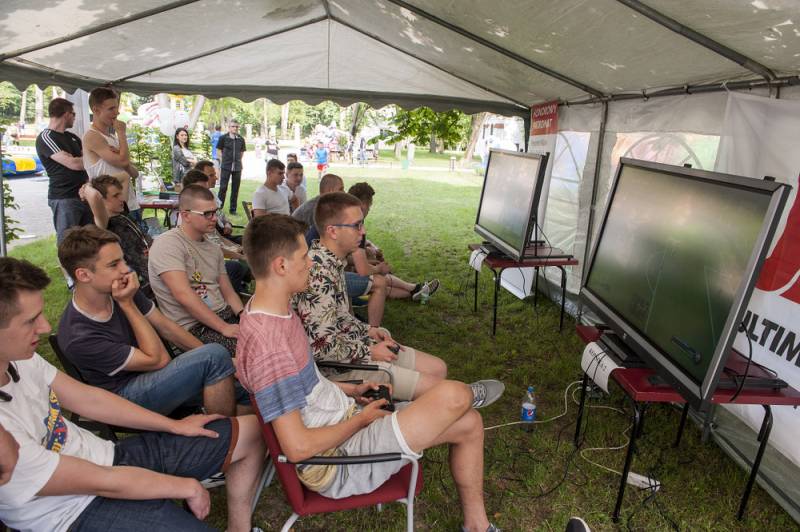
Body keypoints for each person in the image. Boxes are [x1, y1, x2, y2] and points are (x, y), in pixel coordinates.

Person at [236, 215, 499, 532]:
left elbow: (305, 387)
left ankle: (477, 527)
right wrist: (361, 420)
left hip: (346, 419)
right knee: (454, 395)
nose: (311, 263)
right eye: (304, 257)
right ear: (281, 266)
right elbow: (298, 448)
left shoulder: (272, 311)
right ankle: (472, 394)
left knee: (470, 422)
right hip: (336, 462)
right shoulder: (271, 347)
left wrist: (351, 391)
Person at [0, 257, 266, 532]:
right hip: (71, 513)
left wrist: (174, 426)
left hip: (109, 458)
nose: (45, 327)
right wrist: (182, 486)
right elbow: (101, 482)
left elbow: (89, 399)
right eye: (30, 321)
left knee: (253, 431)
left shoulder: (21, 359)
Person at [293, 192, 504, 405]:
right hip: (340, 370)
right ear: (332, 231)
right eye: (357, 225)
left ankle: (425, 406)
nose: (363, 231)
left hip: (352, 348)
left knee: (438, 368)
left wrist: (368, 330)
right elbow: (319, 348)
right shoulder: (318, 273)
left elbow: (337, 317)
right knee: (448, 394)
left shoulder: (331, 262)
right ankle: (461, 398)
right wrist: (370, 351)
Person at [57, 225, 251, 416]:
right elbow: (158, 360)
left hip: (156, 375)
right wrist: (127, 305)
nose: (126, 269)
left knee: (247, 388)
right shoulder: (79, 335)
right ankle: (222, 432)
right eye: (114, 264)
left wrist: (223, 361)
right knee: (214, 356)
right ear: (83, 275)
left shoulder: (117, 289)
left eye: (123, 260)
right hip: (125, 397)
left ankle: (230, 423)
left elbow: (167, 327)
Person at [148, 185, 244, 356]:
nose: (215, 218)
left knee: (272, 338)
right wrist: (223, 327)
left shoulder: (213, 248)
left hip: (224, 316)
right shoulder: (168, 244)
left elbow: (228, 292)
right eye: (207, 214)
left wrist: (244, 316)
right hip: (196, 328)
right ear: (185, 215)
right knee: (256, 352)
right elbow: (183, 295)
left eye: (215, 212)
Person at [347, 181, 438, 303]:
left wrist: (372, 256)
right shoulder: (352, 225)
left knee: (379, 280)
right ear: (364, 204)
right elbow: (360, 268)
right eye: (370, 205)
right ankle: (415, 288)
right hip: (342, 280)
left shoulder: (347, 219)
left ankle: (416, 292)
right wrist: (377, 267)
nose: (369, 210)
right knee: (378, 279)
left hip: (342, 274)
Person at [82, 87, 144, 230]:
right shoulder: (92, 136)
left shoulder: (111, 137)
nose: (116, 113)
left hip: (129, 204)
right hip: (111, 211)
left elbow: (133, 173)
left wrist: (124, 160)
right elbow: (123, 161)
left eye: (116, 108)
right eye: (111, 109)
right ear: (96, 110)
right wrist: (121, 133)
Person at [182, 169, 250, 292]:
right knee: (237, 265)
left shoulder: (205, 217)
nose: (214, 218)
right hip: (207, 267)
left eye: (206, 190)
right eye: (201, 190)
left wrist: (237, 248)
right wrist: (239, 255)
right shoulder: (192, 223)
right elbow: (213, 249)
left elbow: (218, 236)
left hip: (220, 252)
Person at [36, 97, 93, 245]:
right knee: (68, 242)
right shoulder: (46, 137)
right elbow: (74, 164)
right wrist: (84, 159)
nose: (74, 118)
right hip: (64, 197)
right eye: (73, 114)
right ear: (67, 114)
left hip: (84, 195)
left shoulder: (73, 137)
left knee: (90, 241)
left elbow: (87, 162)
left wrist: (84, 161)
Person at [82, 175, 153, 291]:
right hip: (137, 280)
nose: (122, 198)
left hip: (151, 265)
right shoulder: (104, 223)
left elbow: (125, 176)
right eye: (115, 196)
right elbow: (94, 196)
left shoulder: (122, 212)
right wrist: (87, 186)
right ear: (102, 200)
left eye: (120, 194)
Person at [291, 173, 344, 241]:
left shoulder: (324, 205)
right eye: (341, 189)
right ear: (330, 190)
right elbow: (314, 239)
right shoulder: (314, 209)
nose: (344, 192)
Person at [217, 120, 246, 214]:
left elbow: (242, 152)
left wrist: (237, 160)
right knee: (223, 188)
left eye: (237, 127)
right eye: (233, 126)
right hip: (226, 166)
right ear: (229, 127)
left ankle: (233, 209)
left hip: (237, 167)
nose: (235, 128)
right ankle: (219, 208)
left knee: (235, 189)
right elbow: (219, 151)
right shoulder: (223, 138)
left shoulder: (241, 139)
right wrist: (223, 160)